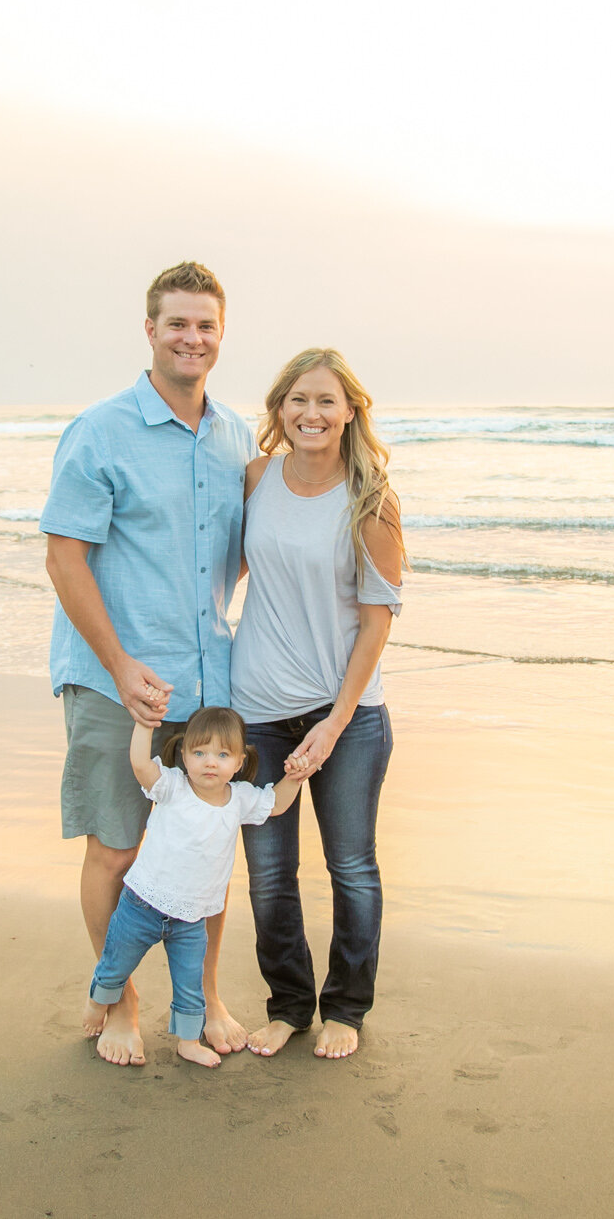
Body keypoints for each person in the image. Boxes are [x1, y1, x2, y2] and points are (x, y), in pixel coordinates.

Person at [41, 262, 257, 1066]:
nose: (191, 338)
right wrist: (121, 659)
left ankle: (203, 998)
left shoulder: (236, 437)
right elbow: (65, 558)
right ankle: (123, 1000)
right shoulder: (100, 431)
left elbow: (236, 555)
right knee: (119, 850)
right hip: (113, 681)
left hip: (207, 690)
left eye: (205, 325)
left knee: (203, 850)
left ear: (220, 334)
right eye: (177, 323)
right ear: (150, 330)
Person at [232, 347, 405, 1060]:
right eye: (298, 399)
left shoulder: (371, 500)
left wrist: (334, 724)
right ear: (279, 409)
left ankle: (346, 1008)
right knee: (270, 872)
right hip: (257, 711)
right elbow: (220, 563)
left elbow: (377, 620)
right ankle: (289, 1005)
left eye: (326, 401)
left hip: (349, 718)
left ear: (350, 411)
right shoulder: (256, 477)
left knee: (351, 866)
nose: (311, 413)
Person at [85, 706, 305, 1067]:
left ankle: (188, 1041)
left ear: (239, 761)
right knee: (115, 963)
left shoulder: (240, 799)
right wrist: (143, 725)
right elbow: (141, 765)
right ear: (183, 754)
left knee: (190, 985)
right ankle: (99, 1002)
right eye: (199, 752)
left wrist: (296, 776)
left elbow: (277, 804)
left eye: (222, 755)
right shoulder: (172, 786)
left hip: (191, 920)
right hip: (142, 904)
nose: (209, 763)